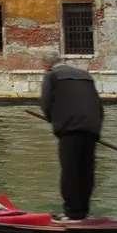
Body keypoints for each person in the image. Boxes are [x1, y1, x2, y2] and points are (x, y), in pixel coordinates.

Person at [39, 52, 104, 221]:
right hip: (92, 127)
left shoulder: (51, 76)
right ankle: (83, 211)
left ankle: (72, 213)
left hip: (69, 128)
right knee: (86, 170)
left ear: (46, 65)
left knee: (70, 171)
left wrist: (53, 120)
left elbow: (46, 102)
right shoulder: (85, 75)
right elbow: (98, 103)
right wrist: (96, 127)